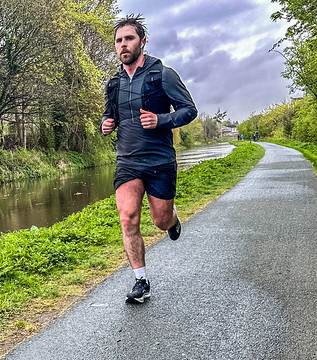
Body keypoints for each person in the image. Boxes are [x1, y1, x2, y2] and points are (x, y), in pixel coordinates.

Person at [101, 14, 197, 304]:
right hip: (127, 160)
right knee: (128, 218)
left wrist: (161, 119)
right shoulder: (114, 83)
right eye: (118, 40)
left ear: (142, 41)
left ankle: (173, 219)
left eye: (128, 38)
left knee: (160, 220)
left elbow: (189, 110)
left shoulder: (162, 74)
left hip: (159, 159)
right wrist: (108, 123)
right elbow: (110, 114)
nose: (123, 45)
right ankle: (141, 280)